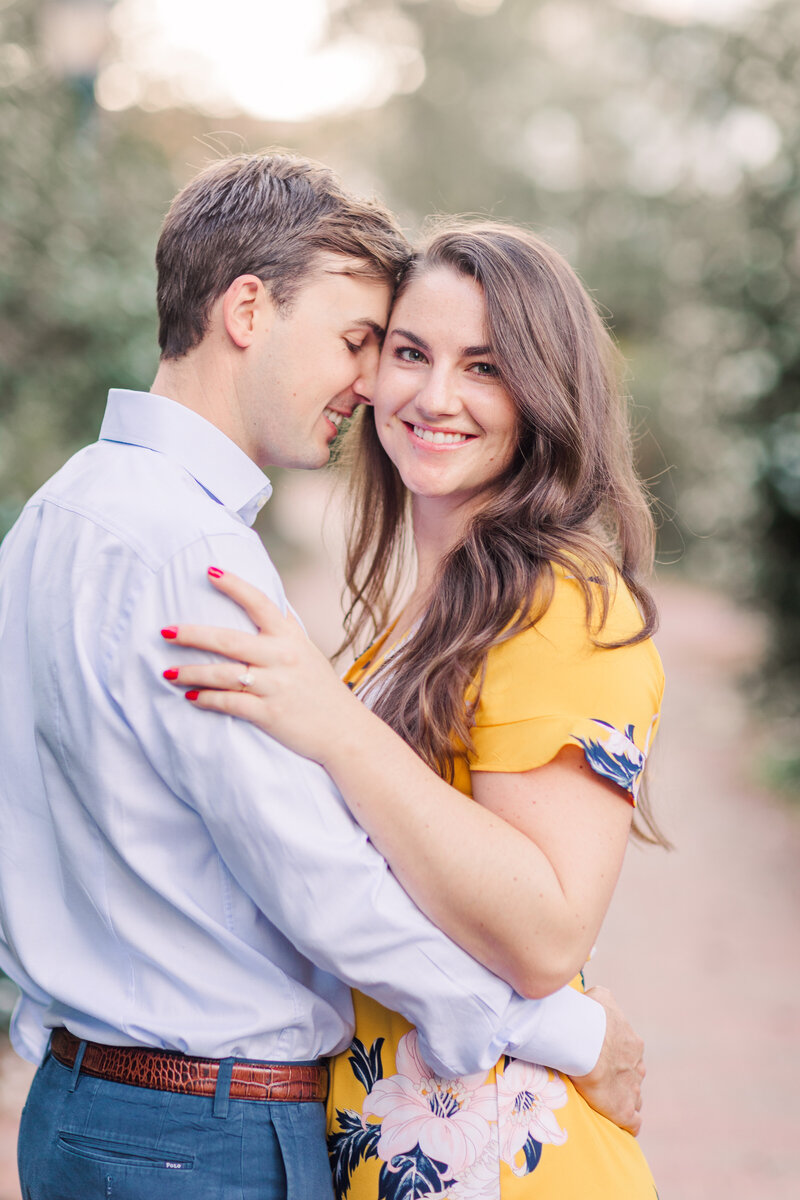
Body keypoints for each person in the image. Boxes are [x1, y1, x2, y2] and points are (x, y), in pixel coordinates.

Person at [0, 157, 644, 1200]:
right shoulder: (188, 555)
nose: (371, 383)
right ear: (247, 309)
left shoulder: (54, 513)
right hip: (196, 1133)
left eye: (481, 366)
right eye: (367, 343)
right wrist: (570, 1029)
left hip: (91, 1105)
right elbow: (313, 874)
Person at [160, 220, 666, 1197]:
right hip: (386, 1145)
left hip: (507, 1168)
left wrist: (332, 722)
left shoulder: (562, 606)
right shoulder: (414, 614)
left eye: (484, 365)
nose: (434, 397)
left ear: (544, 392)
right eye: (408, 353)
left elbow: (543, 935)